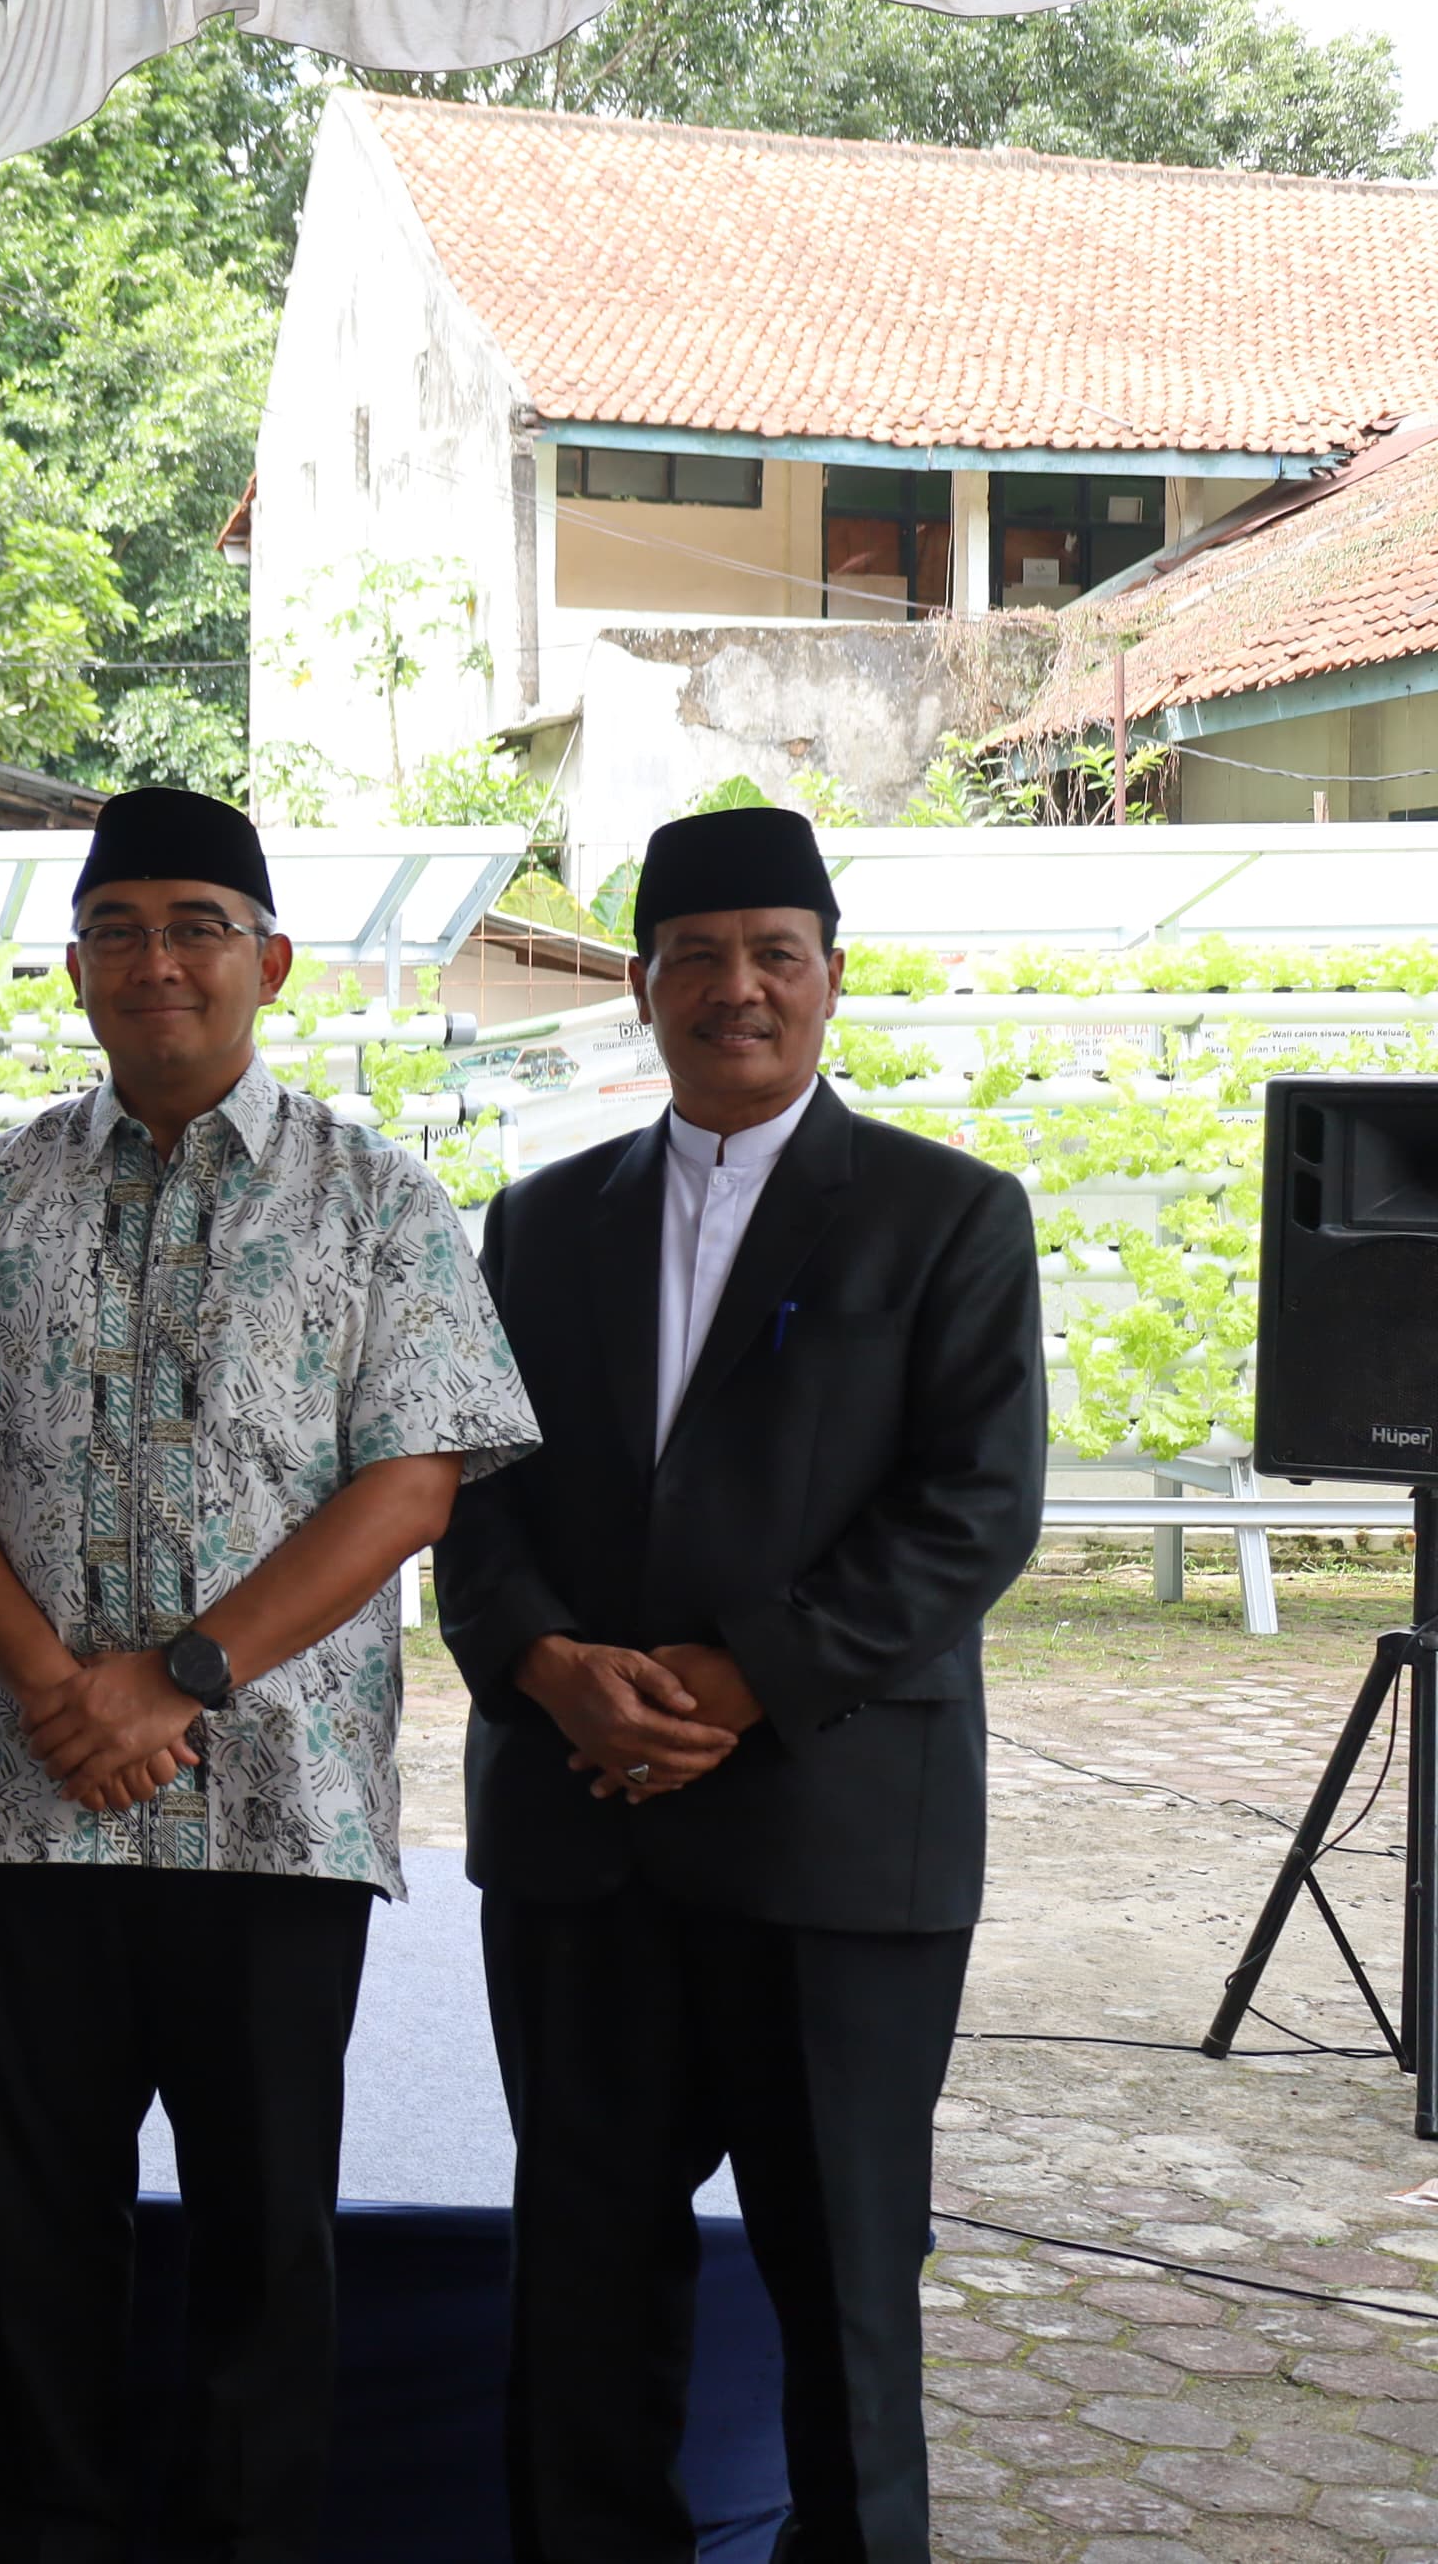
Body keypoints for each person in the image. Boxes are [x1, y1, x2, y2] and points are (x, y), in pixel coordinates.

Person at [0, 785, 539, 2563]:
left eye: (198, 923)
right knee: (39, 2230)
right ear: (74, 971)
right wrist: (60, 1683)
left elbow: (415, 1475)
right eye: (120, 927)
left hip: (278, 1812)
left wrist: (184, 1676)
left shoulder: (377, 1201)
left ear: (271, 959)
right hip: (16, 1800)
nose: (160, 960)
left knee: (265, 2233)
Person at [435, 807, 1043, 2564]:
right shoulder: (540, 1224)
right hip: (580, 1838)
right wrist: (547, 1665)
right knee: (584, 2289)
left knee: (847, 2291)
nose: (737, 989)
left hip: (836, 1846)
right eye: (695, 955)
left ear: (833, 976)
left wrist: (740, 1680)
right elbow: (468, 1492)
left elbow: (974, 1513)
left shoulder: (948, 1216)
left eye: (775, 951)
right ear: (639, 987)